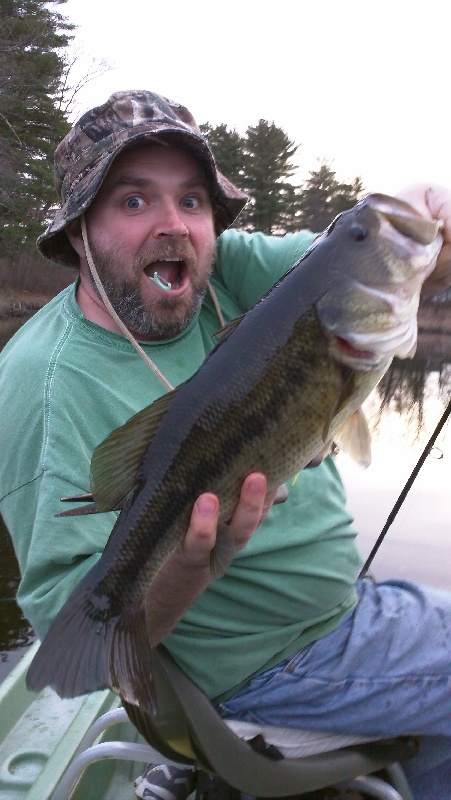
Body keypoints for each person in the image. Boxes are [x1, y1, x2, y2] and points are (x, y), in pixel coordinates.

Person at [0, 90, 450, 800]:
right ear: (79, 230)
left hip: (337, 611)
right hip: (276, 662)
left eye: (192, 201)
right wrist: (187, 565)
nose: (173, 225)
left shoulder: (224, 272)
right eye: (133, 201)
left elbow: (359, 268)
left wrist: (422, 221)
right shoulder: (45, 386)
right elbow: (78, 631)